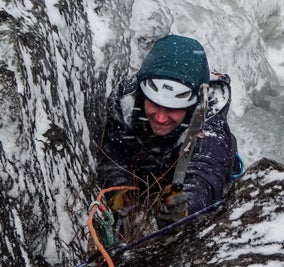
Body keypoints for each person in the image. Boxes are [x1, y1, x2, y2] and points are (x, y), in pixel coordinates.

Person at [97, 34, 241, 231]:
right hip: (146, 172)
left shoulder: (209, 123)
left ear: (192, 107)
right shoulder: (126, 101)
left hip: (179, 180)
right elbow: (113, 156)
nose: (161, 118)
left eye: (173, 109)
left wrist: (186, 206)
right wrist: (122, 200)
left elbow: (207, 172)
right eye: (155, 105)